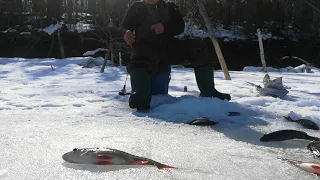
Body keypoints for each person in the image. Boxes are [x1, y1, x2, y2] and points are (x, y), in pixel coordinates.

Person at [121, 0, 231, 111]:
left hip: (168, 47)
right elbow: (124, 27)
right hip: (145, 49)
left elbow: (179, 26)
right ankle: (140, 98)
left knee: (198, 47)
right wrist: (126, 33)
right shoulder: (137, 7)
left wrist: (165, 27)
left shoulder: (169, 7)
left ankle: (209, 91)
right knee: (139, 62)